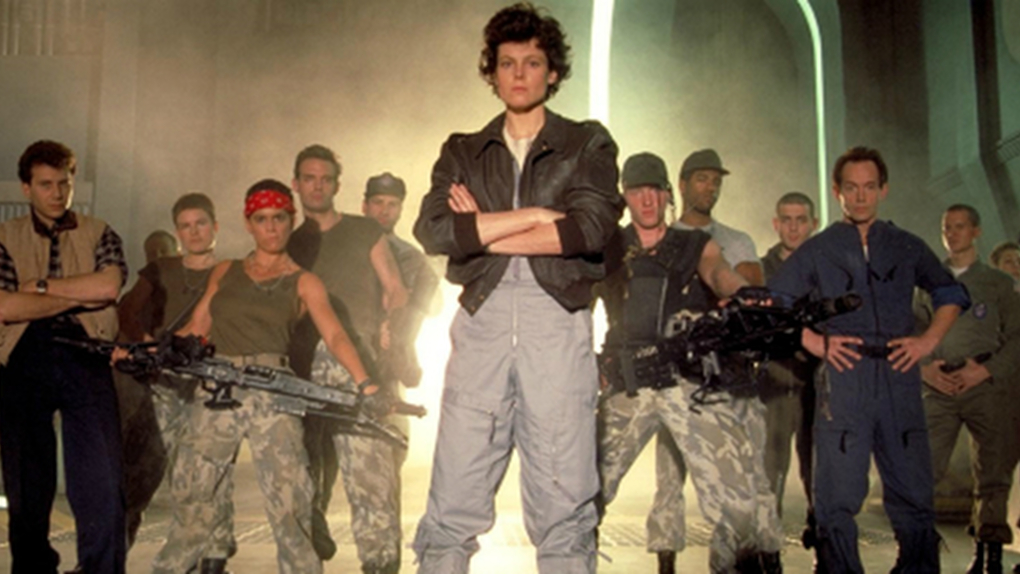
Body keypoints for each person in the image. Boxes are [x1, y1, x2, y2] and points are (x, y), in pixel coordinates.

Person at [411, 4, 623, 572]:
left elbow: (590, 229)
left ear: (552, 72)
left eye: (532, 62)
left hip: (557, 325)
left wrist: (481, 232)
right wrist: (533, 215)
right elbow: (434, 230)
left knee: (565, 507)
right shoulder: (464, 149)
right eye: (507, 63)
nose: (520, 74)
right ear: (493, 72)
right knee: (451, 504)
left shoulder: (587, 144)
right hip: (481, 325)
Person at [150, 179, 373, 574]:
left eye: (279, 218)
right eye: (262, 219)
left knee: (291, 503)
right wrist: (150, 351)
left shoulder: (304, 281)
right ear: (248, 223)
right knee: (192, 494)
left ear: (291, 220)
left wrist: (366, 383)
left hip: (272, 389)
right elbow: (198, 326)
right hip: (218, 387)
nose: (271, 227)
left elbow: (336, 335)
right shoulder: (226, 271)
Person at [769, 146, 970, 572]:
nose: (860, 197)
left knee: (913, 490)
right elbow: (774, 304)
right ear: (837, 192)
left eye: (869, 187)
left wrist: (927, 342)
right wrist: (815, 342)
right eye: (852, 188)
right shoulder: (819, 249)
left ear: (883, 189)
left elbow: (950, 292)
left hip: (899, 375)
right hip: (845, 378)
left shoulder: (905, 245)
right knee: (837, 495)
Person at [594, 152, 782, 573]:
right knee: (581, 497)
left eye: (654, 191)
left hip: (686, 384)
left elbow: (718, 272)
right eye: (637, 191)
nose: (647, 200)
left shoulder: (693, 244)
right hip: (628, 386)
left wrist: (745, 294)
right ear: (625, 196)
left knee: (737, 502)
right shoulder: (608, 248)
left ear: (667, 195)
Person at [0, 140, 127, 573]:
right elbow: (4, 307)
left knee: (102, 484)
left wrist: (39, 288)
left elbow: (108, 287)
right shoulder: (4, 237)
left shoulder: (99, 231)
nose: (57, 193)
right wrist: (78, 296)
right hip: (22, 357)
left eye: (64, 184)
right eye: (46, 184)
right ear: (26, 188)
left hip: (87, 354)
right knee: (26, 489)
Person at [286, 145, 408, 573]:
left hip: (359, 365)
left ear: (337, 185)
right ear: (296, 184)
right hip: (301, 369)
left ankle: (380, 565)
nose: (317, 187)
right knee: (299, 478)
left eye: (326, 179)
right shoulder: (287, 242)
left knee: (372, 481)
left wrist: (393, 328)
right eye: (309, 178)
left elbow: (395, 288)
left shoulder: (363, 230)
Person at [649, 148, 770, 573]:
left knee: (735, 475)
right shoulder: (659, 238)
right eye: (702, 179)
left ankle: (736, 559)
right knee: (670, 476)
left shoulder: (736, 241)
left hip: (725, 374)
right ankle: (666, 561)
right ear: (682, 184)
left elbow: (750, 294)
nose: (711, 187)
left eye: (716, 181)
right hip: (672, 373)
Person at [116, 193, 233, 552]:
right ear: (177, 231)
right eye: (185, 226)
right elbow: (127, 309)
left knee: (207, 483)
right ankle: (108, 560)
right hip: (162, 387)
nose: (194, 232)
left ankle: (212, 560)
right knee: (135, 479)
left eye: (200, 224)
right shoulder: (160, 270)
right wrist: (146, 343)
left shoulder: (233, 272)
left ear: (214, 227)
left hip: (209, 389)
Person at [916, 204, 1020, 574]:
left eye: (960, 227)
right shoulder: (928, 281)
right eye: (947, 227)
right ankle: (918, 549)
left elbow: (1017, 337)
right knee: (922, 469)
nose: (953, 233)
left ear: (976, 231)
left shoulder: (998, 283)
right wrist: (925, 371)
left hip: (983, 384)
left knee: (993, 472)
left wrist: (987, 371)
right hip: (939, 385)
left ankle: (988, 554)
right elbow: (912, 332)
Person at [759, 192, 820, 543]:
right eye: (787, 220)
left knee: (819, 468)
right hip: (775, 379)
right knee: (771, 468)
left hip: (817, 381)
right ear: (776, 224)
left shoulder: (826, 268)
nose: (794, 228)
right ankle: (768, 544)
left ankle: (822, 534)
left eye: (801, 220)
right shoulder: (760, 270)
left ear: (813, 224)